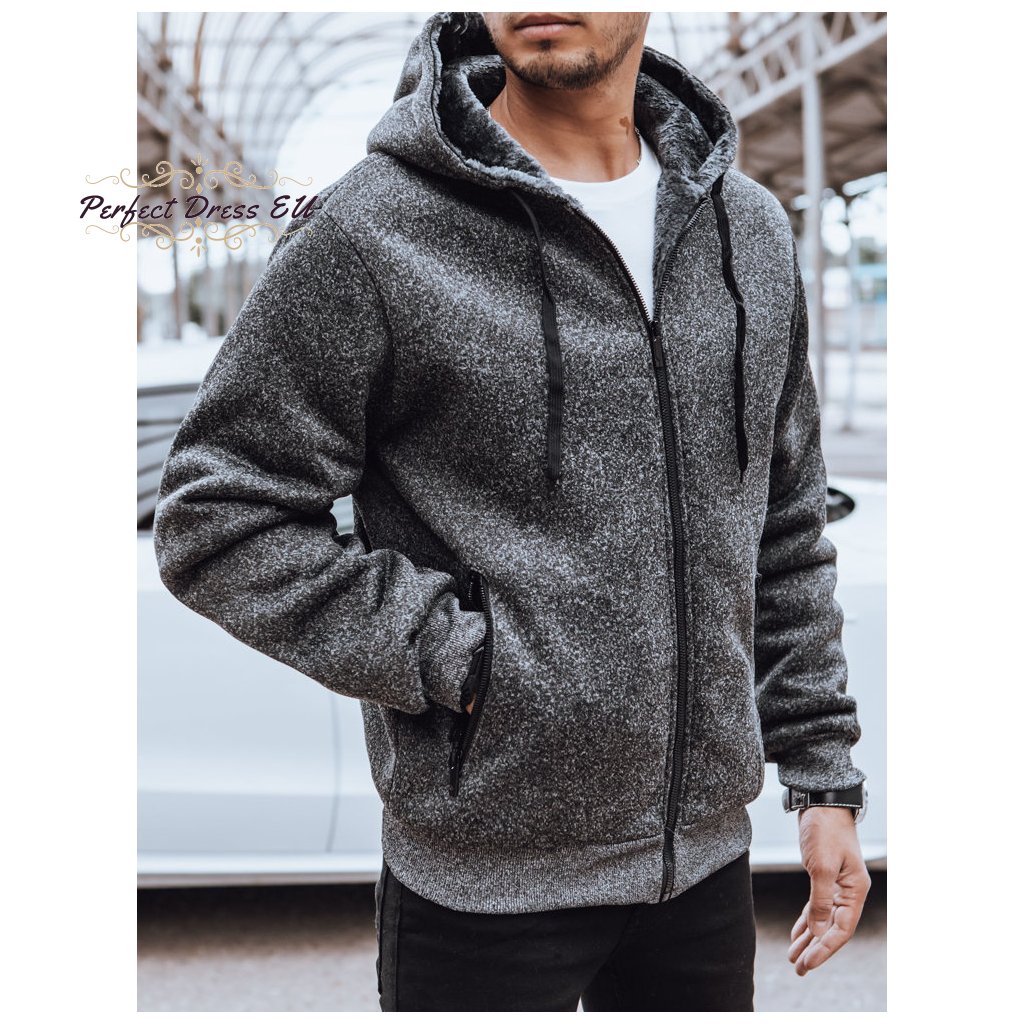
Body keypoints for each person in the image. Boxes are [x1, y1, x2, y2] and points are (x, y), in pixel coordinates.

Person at [152, 10, 872, 1012]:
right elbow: (218, 514)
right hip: (479, 890)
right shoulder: (373, 231)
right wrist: (463, 660)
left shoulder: (745, 233)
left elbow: (782, 522)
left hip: (703, 870)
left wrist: (822, 775)